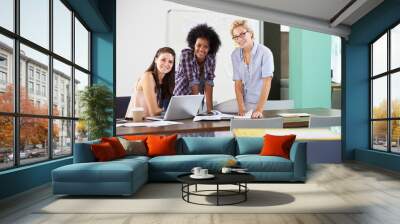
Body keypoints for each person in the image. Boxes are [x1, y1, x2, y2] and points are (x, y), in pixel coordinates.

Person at [230, 19, 274, 118]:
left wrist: (259, 109)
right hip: (246, 105)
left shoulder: (265, 53)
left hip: (263, 104)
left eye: (242, 34)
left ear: (250, 33)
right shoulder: (235, 55)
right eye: (236, 37)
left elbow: (267, 82)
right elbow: (238, 84)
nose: (239, 39)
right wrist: (241, 108)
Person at [174, 24, 221, 114]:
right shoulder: (186, 55)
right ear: (193, 45)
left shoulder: (211, 58)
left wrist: (210, 111)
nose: (201, 49)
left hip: (196, 99)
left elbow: (209, 83)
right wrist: (198, 110)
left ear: (210, 48)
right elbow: (193, 82)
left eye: (205, 46)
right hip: (181, 97)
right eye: (198, 45)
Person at [125, 47, 176, 118]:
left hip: (152, 122)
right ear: (156, 60)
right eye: (163, 60)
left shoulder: (166, 81)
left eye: (170, 62)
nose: (166, 64)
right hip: (137, 122)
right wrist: (173, 112)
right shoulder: (148, 76)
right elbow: (154, 111)